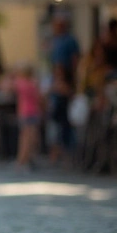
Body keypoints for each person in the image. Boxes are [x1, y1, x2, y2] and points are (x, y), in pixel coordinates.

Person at [47, 15, 80, 165]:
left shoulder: (70, 41)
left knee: (66, 124)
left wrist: (72, 82)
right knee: (55, 124)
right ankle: (56, 153)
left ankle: (67, 153)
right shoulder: (55, 41)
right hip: (57, 91)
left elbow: (75, 61)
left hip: (66, 85)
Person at [12, 62, 43, 171]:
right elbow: (39, 97)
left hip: (25, 113)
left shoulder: (20, 83)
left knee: (26, 138)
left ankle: (23, 160)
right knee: (31, 138)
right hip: (32, 112)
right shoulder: (33, 83)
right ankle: (26, 160)